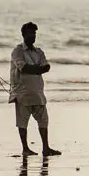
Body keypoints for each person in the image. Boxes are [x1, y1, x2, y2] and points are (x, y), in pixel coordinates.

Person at [10, 22, 60, 157]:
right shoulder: (17, 51)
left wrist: (36, 69)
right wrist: (38, 70)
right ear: (23, 35)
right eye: (30, 33)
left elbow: (47, 67)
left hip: (38, 92)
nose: (33, 36)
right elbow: (23, 67)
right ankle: (25, 148)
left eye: (34, 34)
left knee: (43, 120)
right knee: (22, 122)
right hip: (22, 93)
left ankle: (46, 148)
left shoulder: (39, 52)